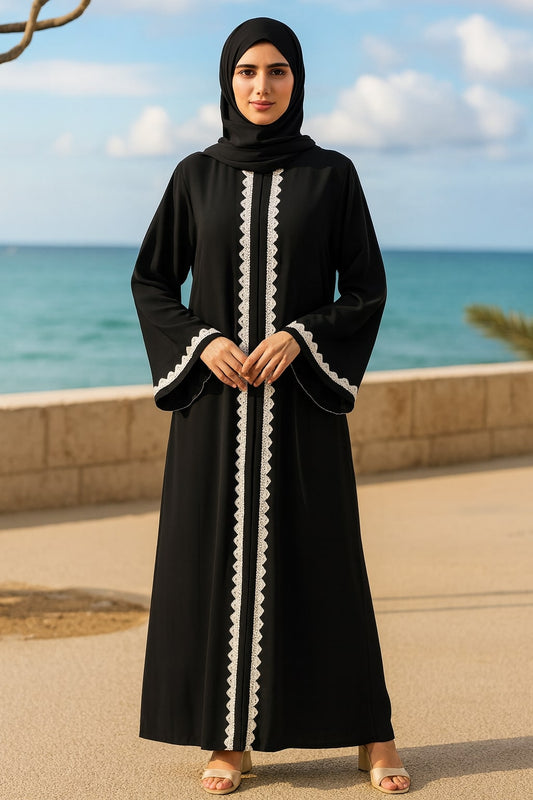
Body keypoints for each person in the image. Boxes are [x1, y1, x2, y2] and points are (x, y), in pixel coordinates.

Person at [132, 16, 410, 797]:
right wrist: (201, 342)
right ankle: (228, 744)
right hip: (215, 414)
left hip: (300, 413)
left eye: (278, 71)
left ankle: (370, 733)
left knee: (325, 565)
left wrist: (301, 334)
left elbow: (366, 289)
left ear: (297, 82)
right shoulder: (194, 176)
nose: (261, 85)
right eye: (248, 71)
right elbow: (152, 281)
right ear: (227, 80)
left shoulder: (332, 175)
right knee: (211, 569)